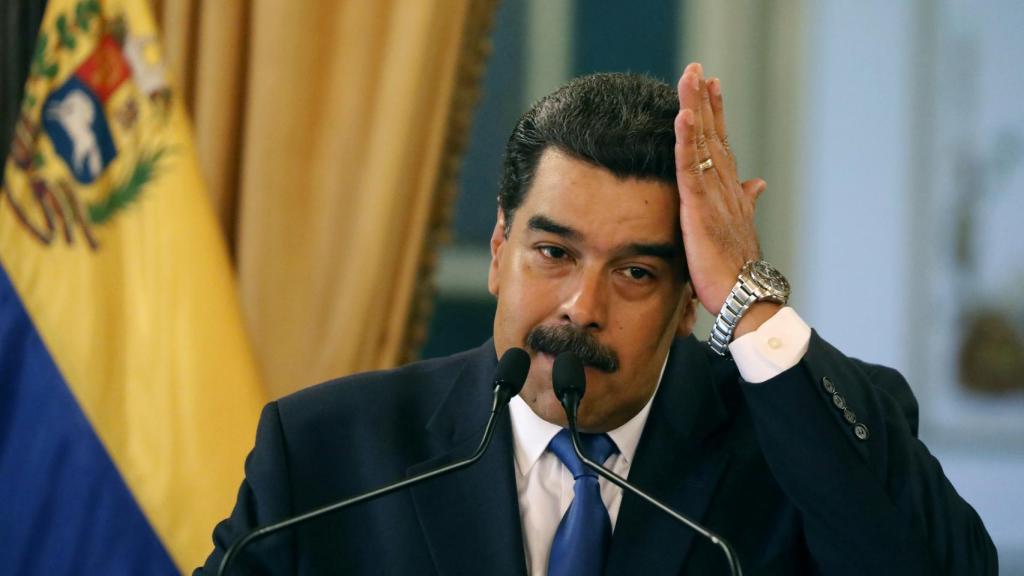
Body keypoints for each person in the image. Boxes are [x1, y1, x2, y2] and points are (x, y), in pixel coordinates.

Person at [197, 63, 998, 575]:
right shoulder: (328, 454)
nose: (582, 307)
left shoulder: (796, 451)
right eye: (553, 254)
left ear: (689, 303)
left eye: (636, 272)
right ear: (499, 250)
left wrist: (749, 299)